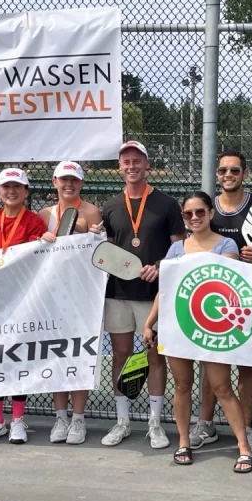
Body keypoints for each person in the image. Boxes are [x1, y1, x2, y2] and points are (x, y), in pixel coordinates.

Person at [141, 192, 252, 473]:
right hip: (178, 325)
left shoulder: (226, 244)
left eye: (200, 212)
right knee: (182, 386)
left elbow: (222, 280)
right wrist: (149, 323)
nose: (194, 218)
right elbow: (165, 291)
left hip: (212, 328)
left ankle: (244, 447)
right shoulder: (176, 249)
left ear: (210, 214)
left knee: (222, 387)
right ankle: (183, 442)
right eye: (188, 214)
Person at [189, 150, 252, 456]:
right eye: (223, 170)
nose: (228, 175)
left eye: (234, 170)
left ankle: (246, 429)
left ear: (243, 173)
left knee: (247, 366)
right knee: (211, 364)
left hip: (248, 299)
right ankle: (205, 424)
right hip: (213, 301)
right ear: (217, 175)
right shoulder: (207, 210)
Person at [92, 141, 186, 448]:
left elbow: (179, 249)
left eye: (137, 161)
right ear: (119, 167)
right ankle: (122, 422)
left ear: (147, 165)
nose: (131, 166)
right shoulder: (109, 206)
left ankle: (155, 423)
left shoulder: (168, 204)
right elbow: (105, 250)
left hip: (154, 295)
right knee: (120, 355)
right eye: (125, 162)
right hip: (117, 293)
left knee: (154, 356)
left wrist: (159, 267)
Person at [0, 168, 56, 446]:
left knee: (19, 359)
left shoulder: (34, 222)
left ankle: (18, 420)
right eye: (6, 187)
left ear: (26, 192)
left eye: (17, 187)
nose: (11, 191)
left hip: (22, 301)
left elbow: (40, 259)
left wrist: (43, 243)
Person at [40, 160, 104, 445]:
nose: (69, 184)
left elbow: (99, 250)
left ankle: (78, 419)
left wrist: (94, 236)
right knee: (56, 357)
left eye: (74, 180)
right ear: (55, 181)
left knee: (79, 356)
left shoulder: (91, 211)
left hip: (81, 295)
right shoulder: (43, 215)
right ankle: (60, 417)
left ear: (81, 183)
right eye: (64, 179)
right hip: (51, 295)